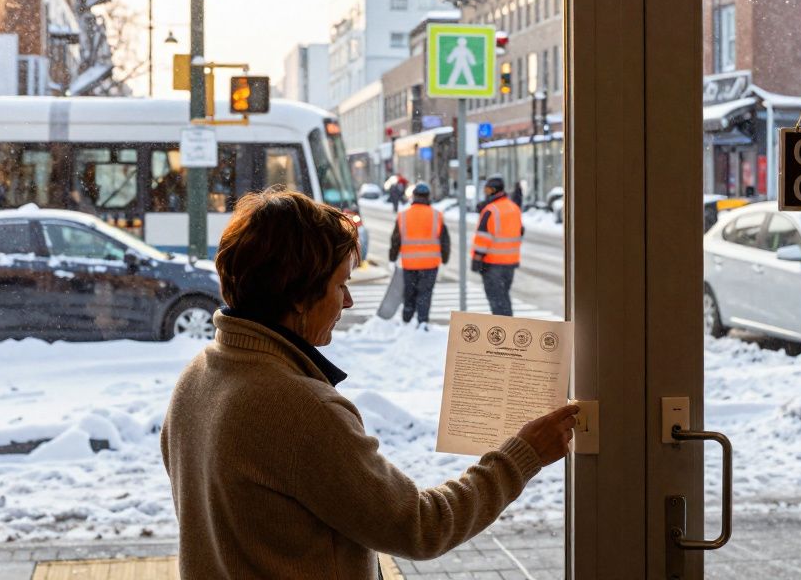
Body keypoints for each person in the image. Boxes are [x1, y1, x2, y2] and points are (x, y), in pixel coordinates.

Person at [162, 189, 577, 579]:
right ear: (299, 296)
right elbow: (420, 526)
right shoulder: (300, 409)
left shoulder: (198, 377)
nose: (348, 301)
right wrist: (522, 457)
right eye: (340, 284)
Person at [388, 183, 450, 328]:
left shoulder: (403, 216)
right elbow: (444, 240)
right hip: (430, 264)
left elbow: (395, 239)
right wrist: (445, 259)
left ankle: (407, 320)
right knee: (425, 294)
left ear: (414, 196)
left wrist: (392, 258)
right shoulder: (437, 215)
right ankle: (422, 323)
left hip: (410, 264)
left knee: (409, 294)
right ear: (428, 197)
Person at [472, 176, 524, 316]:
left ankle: (503, 327)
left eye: (488, 190)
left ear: (494, 190)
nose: (486, 193)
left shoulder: (491, 210)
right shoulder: (514, 208)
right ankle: (507, 325)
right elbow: (520, 232)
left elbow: (483, 238)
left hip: (493, 264)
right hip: (510, 263)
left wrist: (477, 259)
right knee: (503, 298)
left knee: (497, 301)